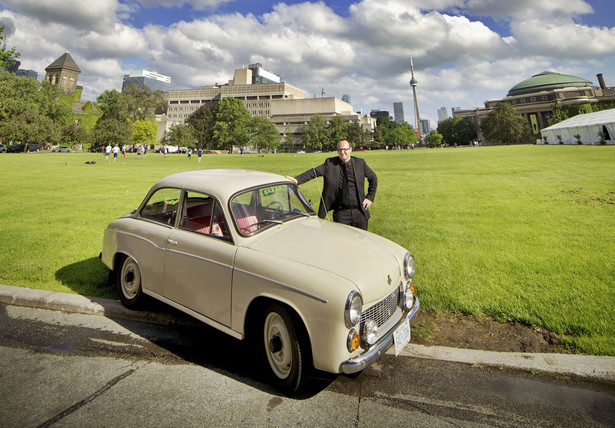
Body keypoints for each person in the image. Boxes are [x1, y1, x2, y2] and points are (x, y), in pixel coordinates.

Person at [286, 139, 377, 230]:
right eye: (339, 150)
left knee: (362, 240)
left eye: (345, 149)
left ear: (350, 149)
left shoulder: (360, 163)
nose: (342, 152)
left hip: (359, 212)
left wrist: (369, 198)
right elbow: (313, 172)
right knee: (342, 241)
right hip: (341, 214)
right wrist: (297, 180)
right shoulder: (330, 164)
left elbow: (373, 178)